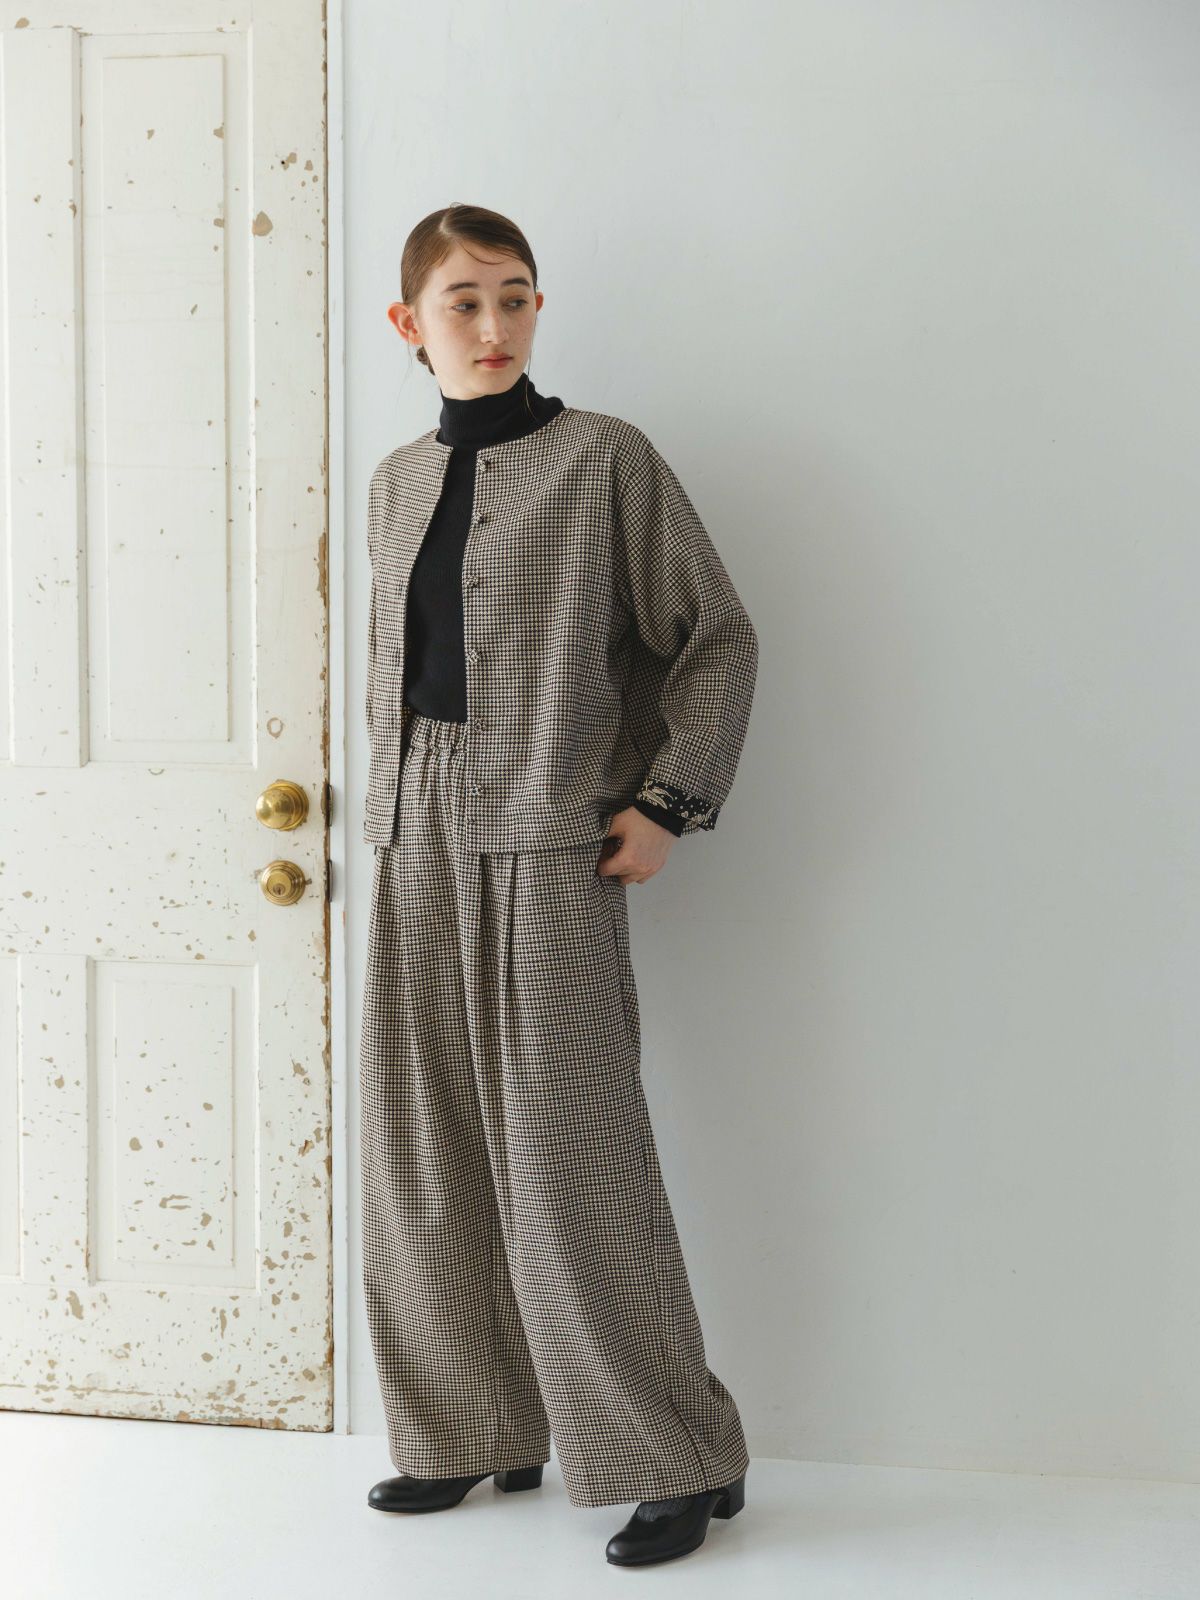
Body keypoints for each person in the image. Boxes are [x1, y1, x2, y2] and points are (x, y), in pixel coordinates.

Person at [359, 203, 758, 1568]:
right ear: (411, 324)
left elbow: (714, 638)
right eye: (463, 301)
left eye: (515, 296)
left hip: (546, 835)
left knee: (569, 1156)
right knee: (421, 1150)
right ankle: (474, 1430)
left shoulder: (604, 462)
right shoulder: (396, 481)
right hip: (412, 836)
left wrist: (668, 801)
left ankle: (682, 1455)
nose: (493, 325)